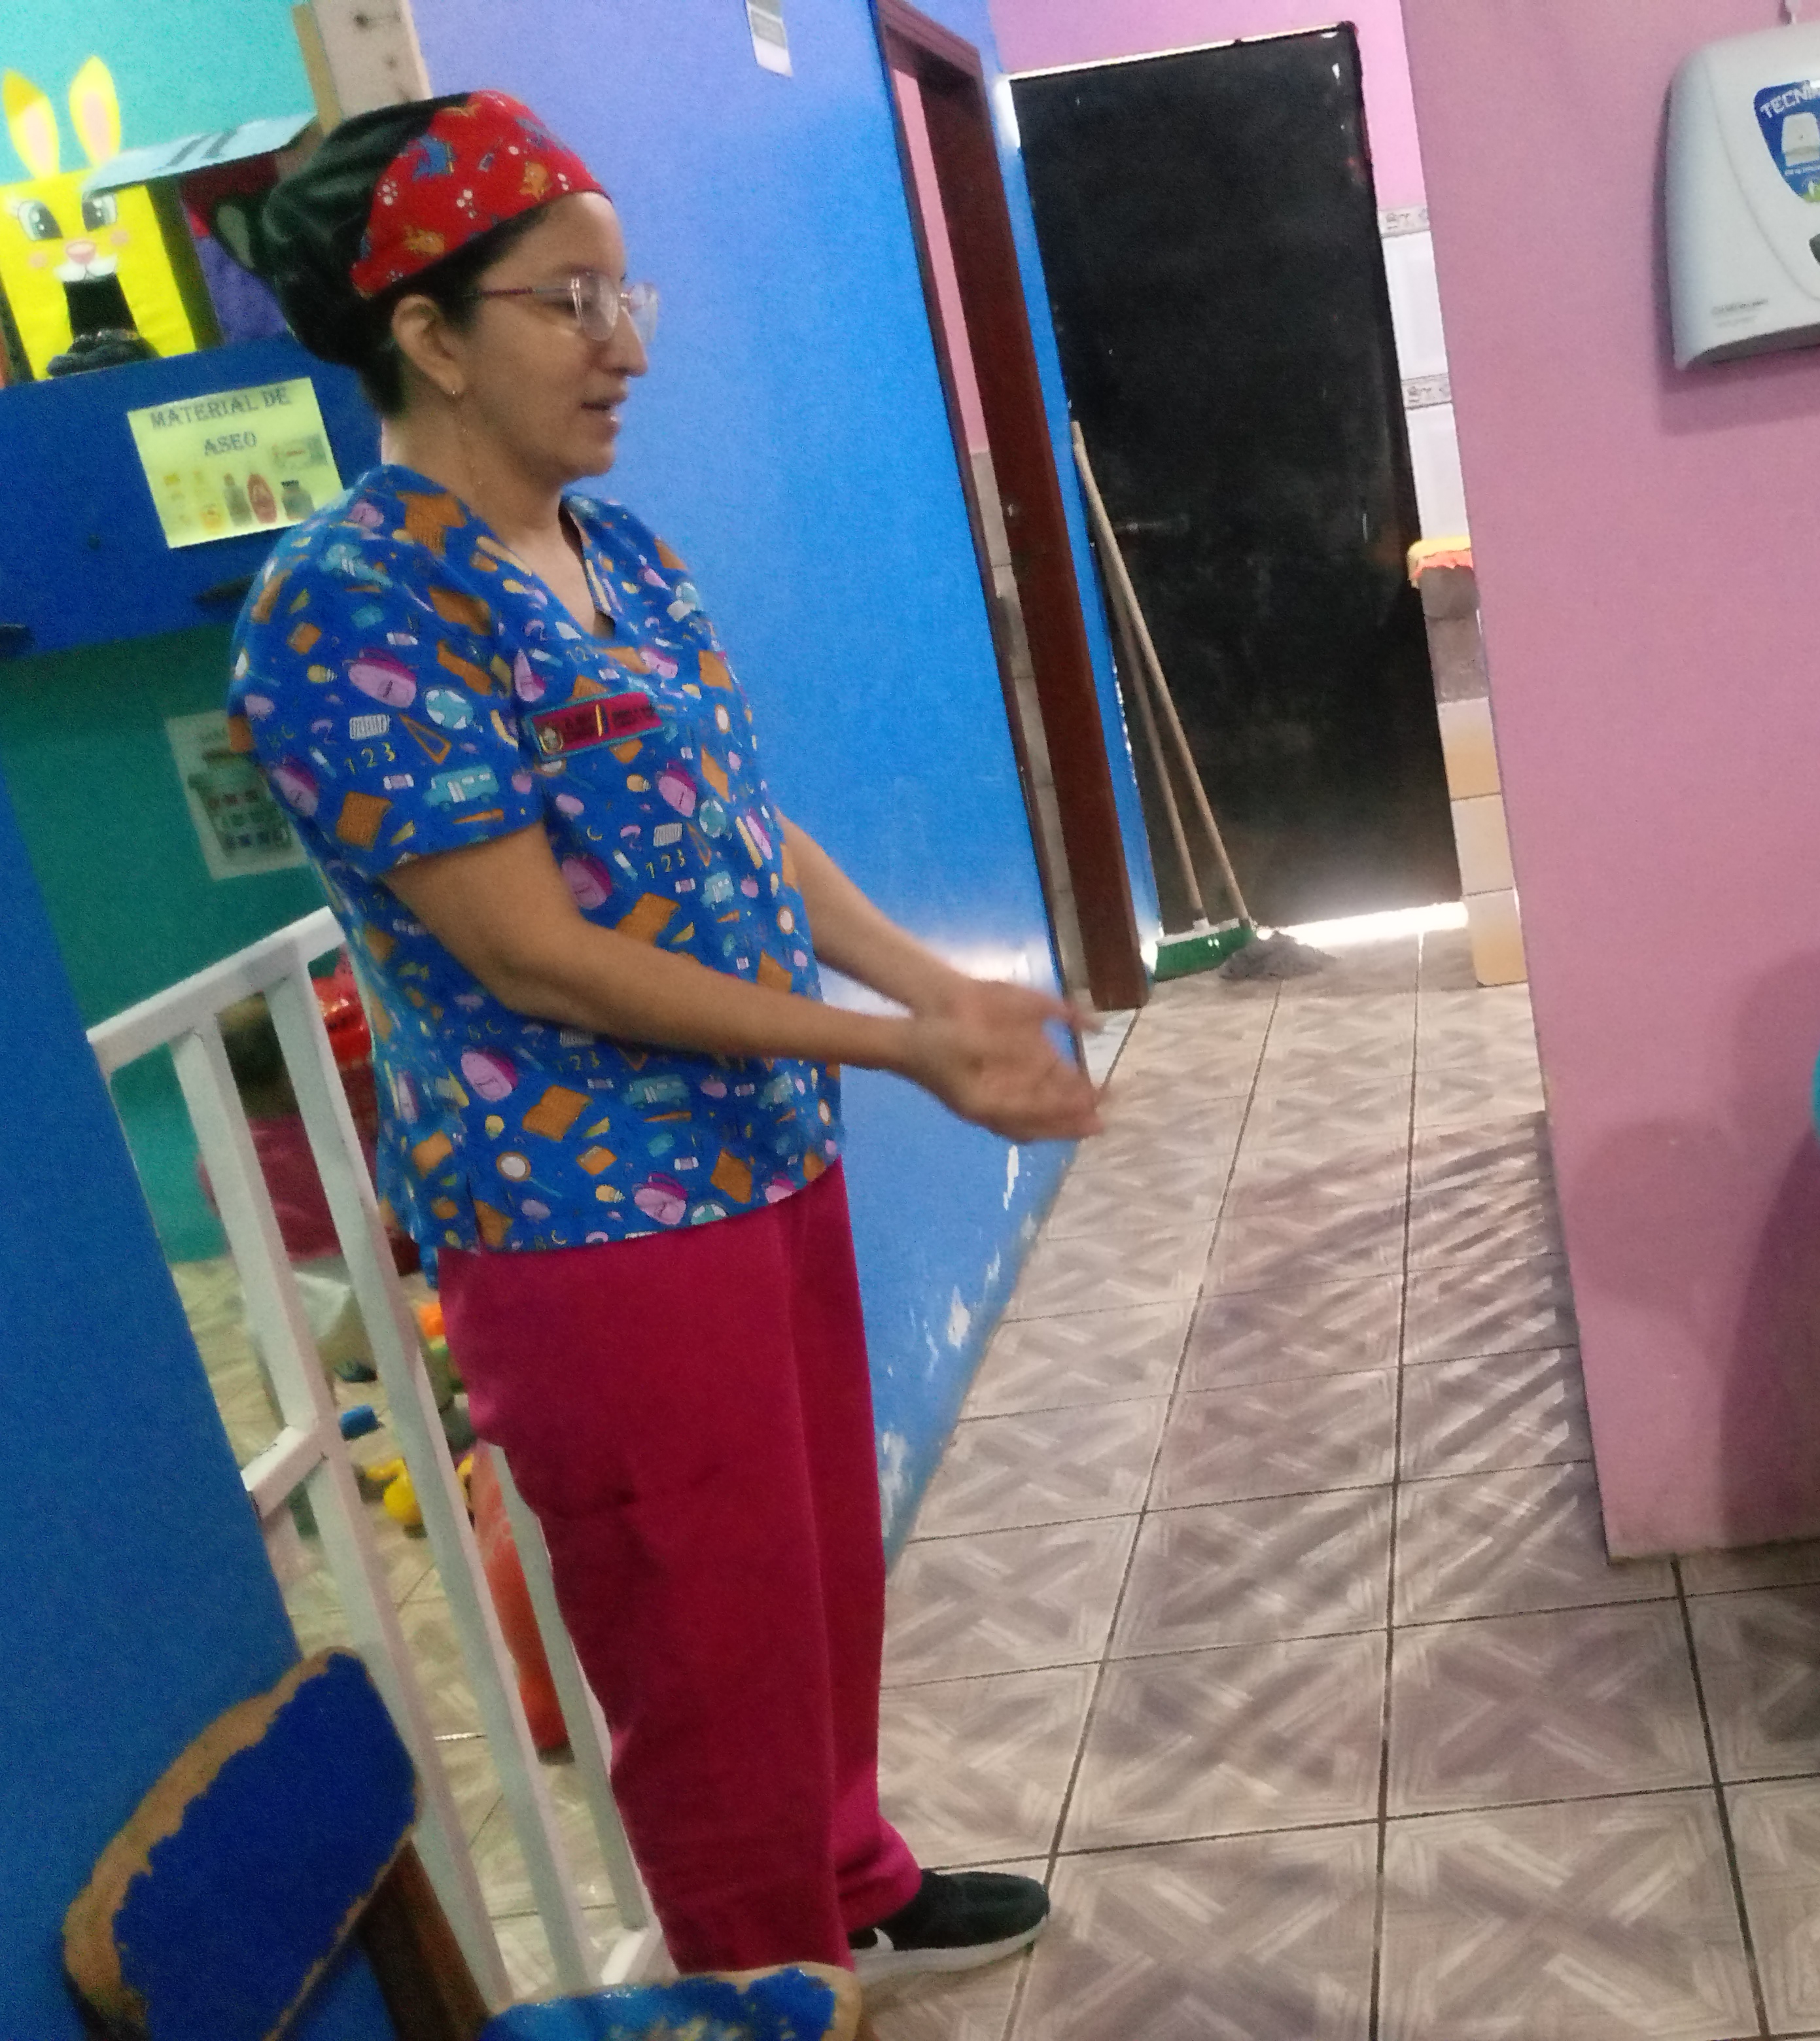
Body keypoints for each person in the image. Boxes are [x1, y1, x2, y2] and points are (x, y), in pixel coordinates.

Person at [224, 91, 1100, 1979]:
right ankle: (768, 1987)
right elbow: (535, 955)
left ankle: (849, 1882)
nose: (623, 345)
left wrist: (927, 985)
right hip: (590, 1228)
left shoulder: (618, 552)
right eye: (569, 302)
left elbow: (733, 822)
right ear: (427, 334)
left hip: (758, 1157)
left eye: (627, 297)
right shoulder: (351, 603)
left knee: (810, 1578)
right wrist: (895, 1050)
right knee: (702, 1645)